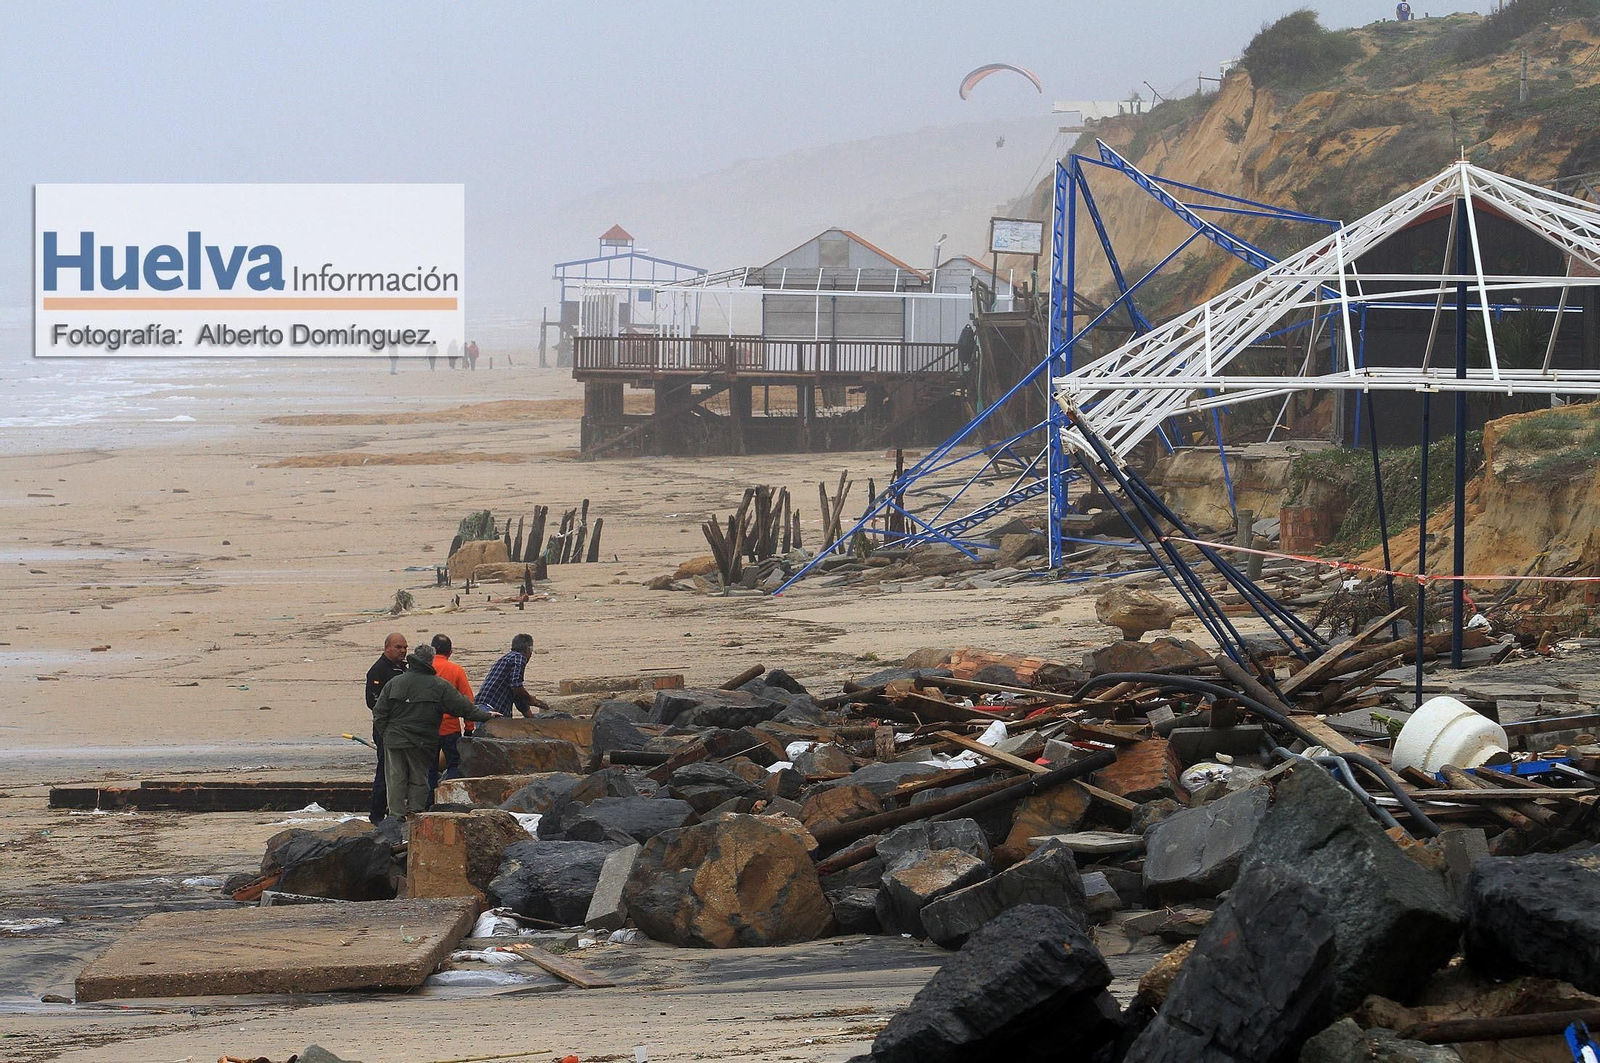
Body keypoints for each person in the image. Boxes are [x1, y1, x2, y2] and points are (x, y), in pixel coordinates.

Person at [372, 643, 496, 819]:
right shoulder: (439, 685)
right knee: (418, 778)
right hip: (420, 741)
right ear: (430, 660)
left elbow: (379, 712)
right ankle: (414, 814)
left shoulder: (395, 683)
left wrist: (386, 733)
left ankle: (395, 817)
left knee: (395, 779)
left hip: (395, 739)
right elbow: (463, 708)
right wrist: (487, 716)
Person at [364, 632, 409, 823]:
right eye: (398, 647)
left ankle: (398, 812)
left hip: (404, 728)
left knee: (402, 771)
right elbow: (372, 701)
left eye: (405, 647)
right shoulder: (378, 670)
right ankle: (376, 816)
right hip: (386, 729)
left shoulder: (404, 669)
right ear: (387, 647)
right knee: (385, 771)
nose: (403, 651)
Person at [427, 633, 475, 794]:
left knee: (429, 768)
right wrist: (469, 727)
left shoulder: (423, 670)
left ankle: (427, 802)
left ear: (432, 650)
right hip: (450, 728)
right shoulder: (456, 670)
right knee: (454, 765)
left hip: (427, 728)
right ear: (450, 652)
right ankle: (449, 797)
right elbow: (467, 701)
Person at [475, 633, 549, 717]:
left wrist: (532, 717)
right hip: (490, 709)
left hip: (481, 708)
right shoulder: (518, 657)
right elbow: (516, 686)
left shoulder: (507, 659)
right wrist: (530, 699)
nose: (531, 655)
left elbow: (518, 698)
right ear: (528, 649)